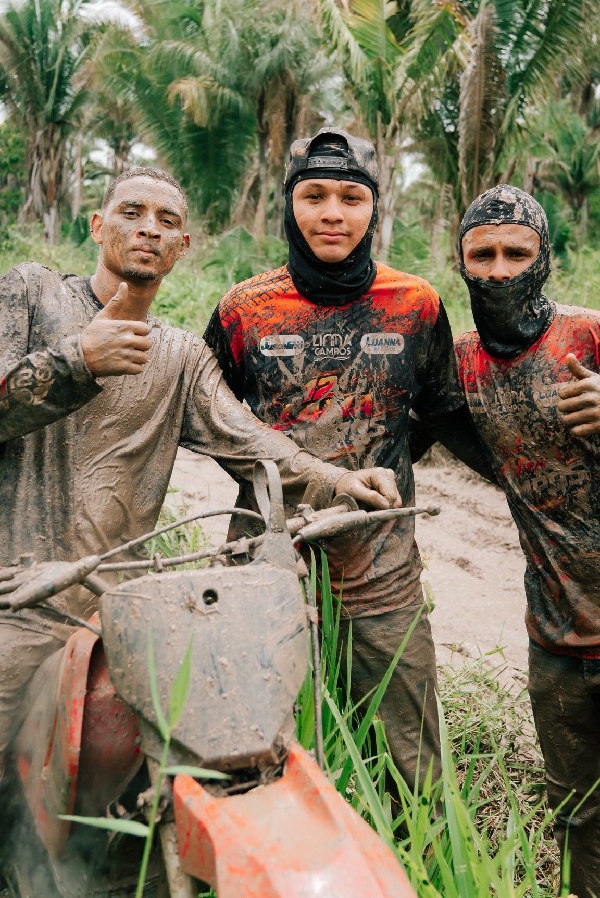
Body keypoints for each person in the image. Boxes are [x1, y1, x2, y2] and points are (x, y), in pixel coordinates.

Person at [0, 165, 401, 783]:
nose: (149, 229)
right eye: (131, 213)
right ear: (97, 225)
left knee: (131, 790)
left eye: (167, 221)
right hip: (16, 601)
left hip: (119, 614)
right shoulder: (32, 294)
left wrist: (340, 480)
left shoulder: (180, 353)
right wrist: (78, 360)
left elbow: (252, 441)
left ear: (183, 246)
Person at [204, 128, 469, 794]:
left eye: (351, 197)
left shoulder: (414, 304)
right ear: (288, 203)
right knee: (251, 744)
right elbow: (214, 420)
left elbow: (443, 410)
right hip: (268, 556)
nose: (332, 213)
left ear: (374, 208)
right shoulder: (245, 309)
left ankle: (412, 850)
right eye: (314, 195)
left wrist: (387, 461)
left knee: (411, 763)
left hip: (380, 564)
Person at [430, 184, 600, 898]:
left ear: (545, 257)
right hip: (556, 639)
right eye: (483, 255)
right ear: (462, 263)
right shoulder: (461, 364)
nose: (499, 270)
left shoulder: (588, 337)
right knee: (577, 813)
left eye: (516, 253)